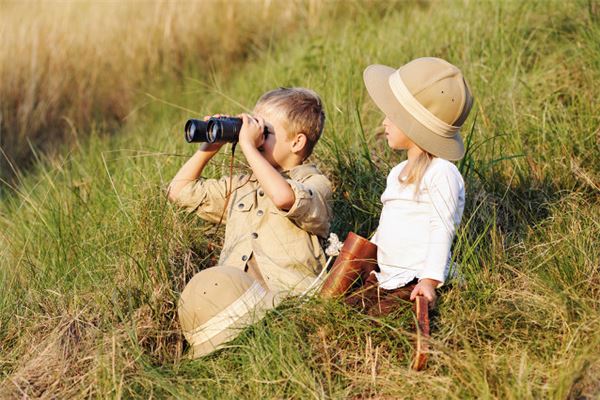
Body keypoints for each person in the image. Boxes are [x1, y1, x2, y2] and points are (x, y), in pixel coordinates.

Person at [167, 87, 332, 357]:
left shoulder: (315, 184)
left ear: (297, 143)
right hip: (235, 309)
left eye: (263, 133)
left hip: (288, 305)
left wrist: (246, 146)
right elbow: (179, 191)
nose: (253, 137)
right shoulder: (243, 186)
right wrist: (211, 146)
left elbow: (283, 197)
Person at [346, 57, 474, 316]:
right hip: (386, 275)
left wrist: (429, 280)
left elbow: (442, 227)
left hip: (415, 277)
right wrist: (362, 256)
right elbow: (388, 223)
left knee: (381, 320)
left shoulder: (441, 173)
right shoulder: (396, 173)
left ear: (414, 124)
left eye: (392, 115)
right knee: (345, 310)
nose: (384, 122)